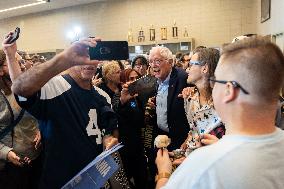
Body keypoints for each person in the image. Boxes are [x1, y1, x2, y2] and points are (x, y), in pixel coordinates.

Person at [155, 37, 284, 188]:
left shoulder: (203, 164)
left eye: (216, 81)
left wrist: (164, 174)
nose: (212, 86)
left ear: (229, 91)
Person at [3, 33, 118, 188]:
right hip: (60, 180)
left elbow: (107, 129)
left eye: (93, 56)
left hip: (94, 179)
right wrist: (62, 60)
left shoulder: (103, 96)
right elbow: (20, 88)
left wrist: (108, 139)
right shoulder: (54, 87)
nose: (89, 62)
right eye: (82, 55)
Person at [0, 49, 42, 189]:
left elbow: (39, 114)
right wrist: (7, 153)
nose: (22, 66)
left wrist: (41, 129)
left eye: (21, 61)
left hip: (35, 156)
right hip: (9, 165)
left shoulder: (28, 88)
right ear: (0, 70)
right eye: (14, 62)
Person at [179, 48, 225, 156]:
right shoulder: (189, 98)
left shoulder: (224, 102)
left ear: (204, 68)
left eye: (191, 65)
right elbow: (194, 129)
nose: (186, 69)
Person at [149, 46, 189, 150]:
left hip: (180, 141)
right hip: (162, 137)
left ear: (170, 62)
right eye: (151, 61)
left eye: (157, 61)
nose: (153, 65)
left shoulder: (183, 78)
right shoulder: (156, 80)